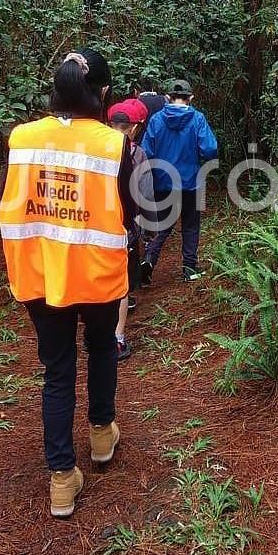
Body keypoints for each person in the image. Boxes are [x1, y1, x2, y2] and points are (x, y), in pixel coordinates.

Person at [0, 50, 134, 519]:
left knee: (57, 370)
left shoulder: (23, 138)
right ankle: (101, 436)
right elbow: (130, 210)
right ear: (103, 95)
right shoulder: (113, 145)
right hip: (96, 274)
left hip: (41, 273)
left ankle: (61, 479)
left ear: (54, 90)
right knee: (101, 349)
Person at [141, 79, 218, 283]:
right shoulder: (198, 119)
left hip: (163, 182)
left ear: (168, 98)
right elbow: (210, 150)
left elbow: (146, 152)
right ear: (190, 98)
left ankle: (148, 260)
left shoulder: (156, 120)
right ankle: (189, 269)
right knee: (191, 225)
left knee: (163, 225)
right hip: (191, 182)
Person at [107, 97, 154, 360]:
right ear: (135, 127)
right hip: (124, 226)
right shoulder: (137, 154)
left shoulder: (92, 149)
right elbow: (145, 194)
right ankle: (117, 340)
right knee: (121, 283)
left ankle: (96, 335)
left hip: (93, 224)